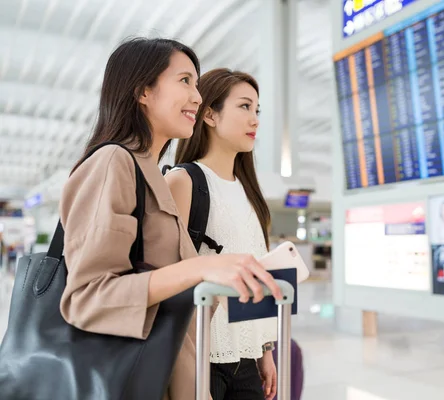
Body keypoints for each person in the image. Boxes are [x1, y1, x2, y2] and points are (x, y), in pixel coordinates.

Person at [58, 39, 282, 400]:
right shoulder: (113, 162)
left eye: (196, 84)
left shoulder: (149, 172)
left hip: (179, 372)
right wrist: (201, 269)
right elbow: (88, 297)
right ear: (143, 91)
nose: (196, 96)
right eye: (184, 81)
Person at [166, 69, 277, 400]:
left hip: (246, 358)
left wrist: (265, 351)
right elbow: (168, 274)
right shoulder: (183, 181)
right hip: (200, 356)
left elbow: (253, 276)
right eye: (244, 107)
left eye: (257, 110)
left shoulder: (249, 193)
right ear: (210, 114)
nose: (254, 119)